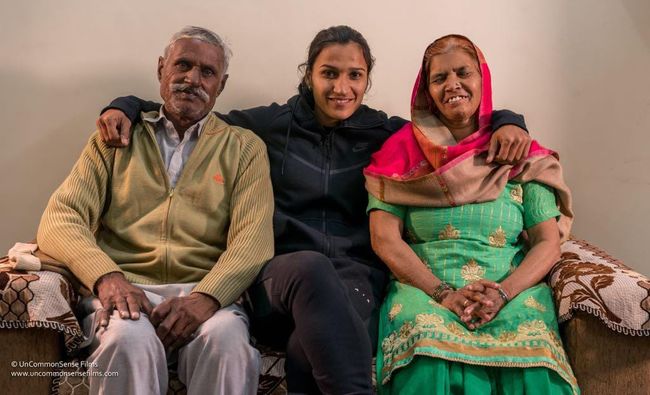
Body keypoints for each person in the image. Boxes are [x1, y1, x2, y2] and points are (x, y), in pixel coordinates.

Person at [97, 26, 532, 394]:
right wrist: (127, 106)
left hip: (352, 283)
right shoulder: (268, 125)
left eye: (354, 76)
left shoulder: (387, 134)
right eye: (329, 73)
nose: (341, 88)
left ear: (367, 80)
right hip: (280, 280)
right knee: (310, 266)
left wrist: (510, 119)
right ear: (309, 75)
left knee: (308, 355)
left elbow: (456, 130)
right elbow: (192, 107)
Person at [37, 26, 274, 395]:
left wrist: (205, 299)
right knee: (127, 342)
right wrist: (107, 278)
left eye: (207, 72)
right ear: (161, 69)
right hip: (126, 289)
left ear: (221, 86)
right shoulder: (116, 138)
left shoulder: (244, 149)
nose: (192, 79)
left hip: (206, 294)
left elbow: (253, 240)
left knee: (228, 344)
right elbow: (60, 219)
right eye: (183, 65)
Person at [364, 34, 578, 394]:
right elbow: (384, 237)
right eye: (439, 78)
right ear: (426, 91)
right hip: (425, 291)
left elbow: (547, 242)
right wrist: (444, 293)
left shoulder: (519, 152)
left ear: (483, 79)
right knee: (428, 356)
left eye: (463, 72)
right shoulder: (400, 152)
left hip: (513, 291)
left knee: (532, 363)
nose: (453, 85)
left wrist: (503, 294)